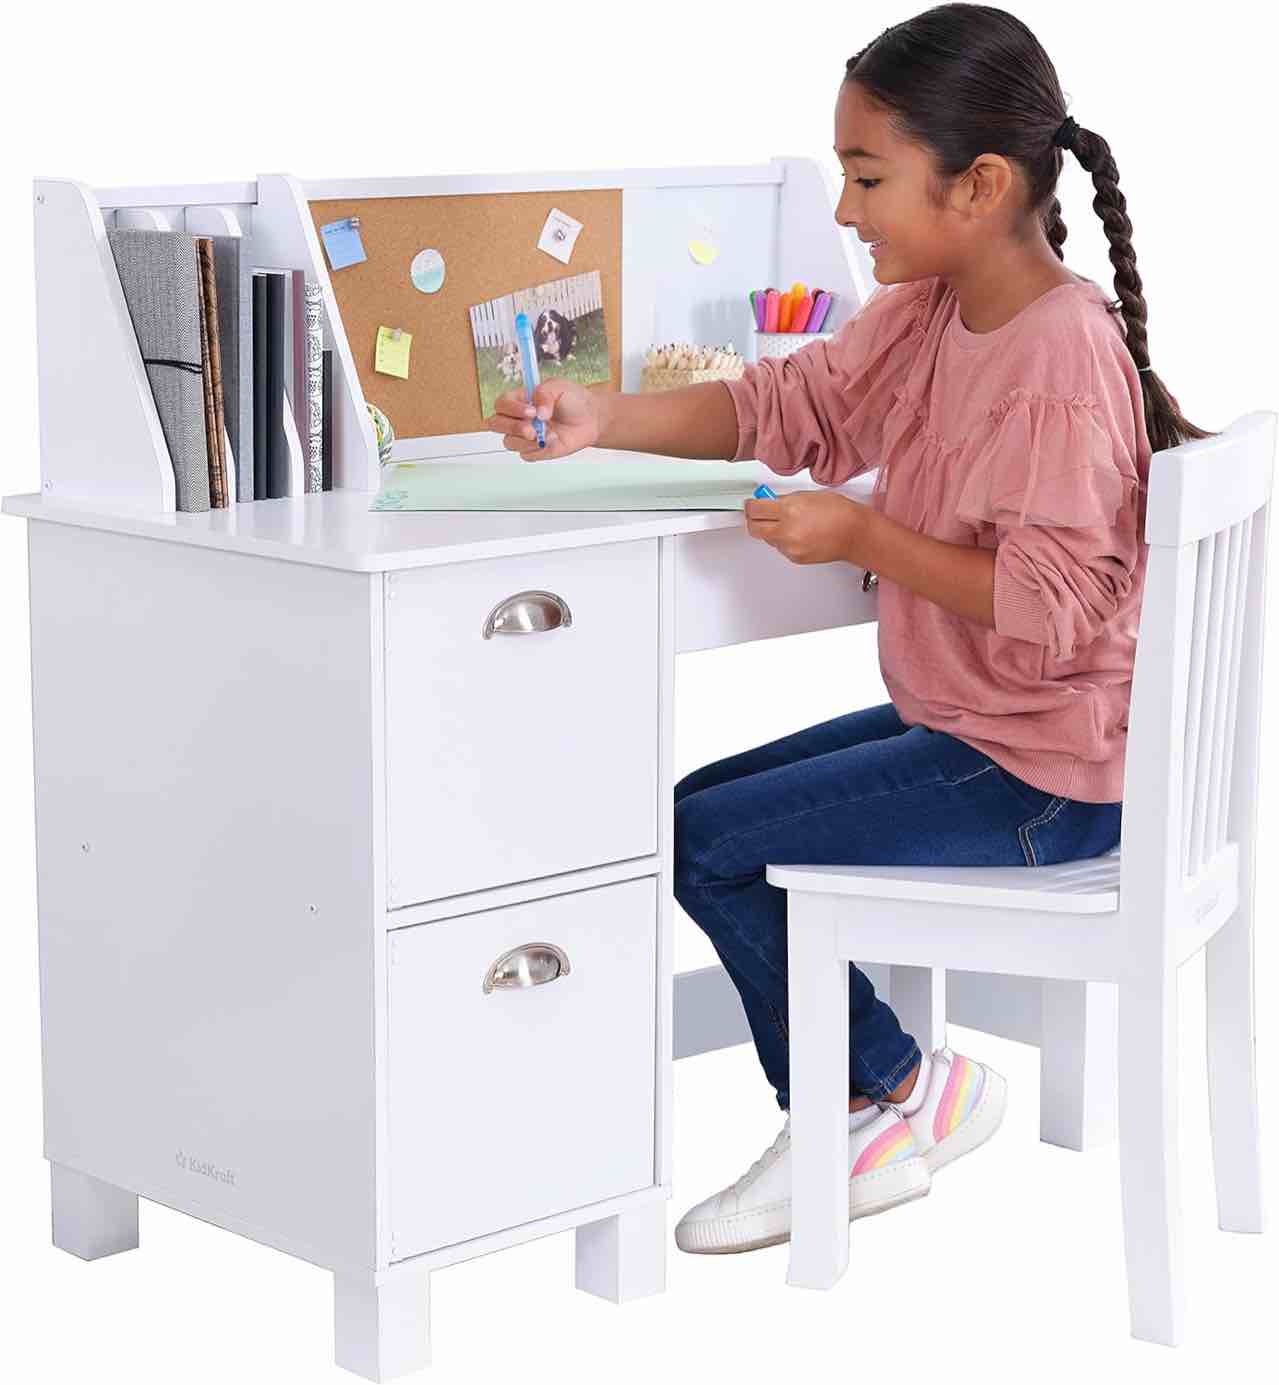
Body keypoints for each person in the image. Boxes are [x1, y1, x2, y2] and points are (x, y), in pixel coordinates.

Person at [484, 2, 1216, 1257]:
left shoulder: (1053, 358)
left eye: (867, 175)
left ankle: (867, 1100)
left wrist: (862, 539)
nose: (843, 208)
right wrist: (604, 411)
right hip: (992, 730)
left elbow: (1055, 607)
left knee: (705, 840)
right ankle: (902, 1084)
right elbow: (791, 402)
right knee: (688, 814)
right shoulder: (938, 311)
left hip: (1046, 778)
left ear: (979, 185)